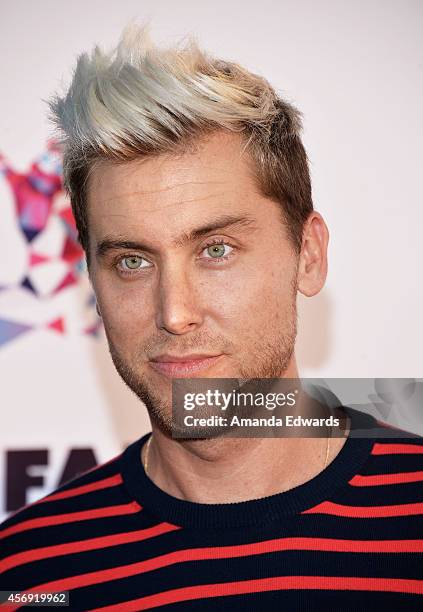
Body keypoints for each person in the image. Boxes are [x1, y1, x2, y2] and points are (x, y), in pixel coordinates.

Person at [1, 24, 422, 611]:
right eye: (131, 261)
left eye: (215, 249)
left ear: (308, 255)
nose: (174, 312)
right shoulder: (27, 571)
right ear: (92, 282)